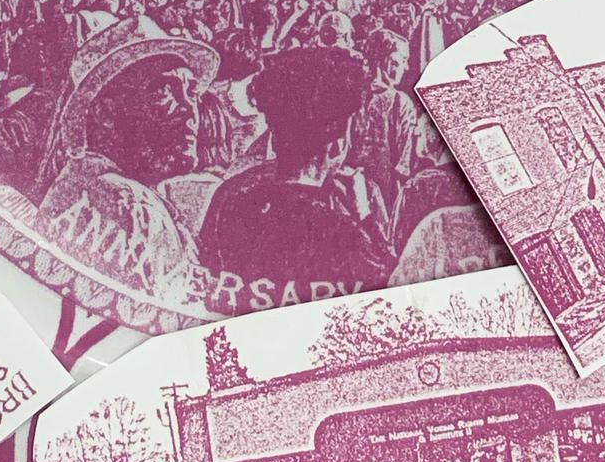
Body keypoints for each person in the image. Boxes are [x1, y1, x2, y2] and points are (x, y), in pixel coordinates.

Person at [34, 20, 219, 308]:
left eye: (192, 93)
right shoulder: (126, 203)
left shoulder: (86, 185)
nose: (189, 110)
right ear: (107, 113)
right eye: (164, 91)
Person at [197, 45, 391, 308]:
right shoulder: (347, 222)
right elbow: (390, 290)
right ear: (337, 144)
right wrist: (366, 218)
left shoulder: (229, 198)